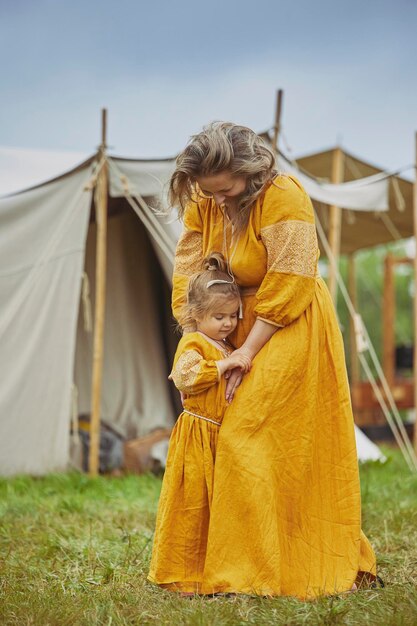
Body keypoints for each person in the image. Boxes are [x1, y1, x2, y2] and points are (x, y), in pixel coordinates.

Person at [164, 121, 377, 600]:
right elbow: (189, 268)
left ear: (250, 172)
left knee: (250, 436)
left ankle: (255, 570)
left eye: (225, 189)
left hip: (287, 322)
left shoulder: (284, 196)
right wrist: (199, 341)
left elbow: (290, 279)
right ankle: (243, 560)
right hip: (231, 323)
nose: (216, 200)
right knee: (232, 437)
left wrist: (245, 351)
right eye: (207, 191)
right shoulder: (205, 200)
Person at [148, 252, 251, 594]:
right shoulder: (194, 342)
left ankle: (217, 565)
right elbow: (184, 376)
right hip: (198, 433)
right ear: (195, 315)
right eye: (218, 316)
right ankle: (184, 570)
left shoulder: (223, 343)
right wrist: (225, 366)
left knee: (217, 504)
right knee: (193, 503)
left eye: (232, 316)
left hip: (220, 434)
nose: (227, 323)